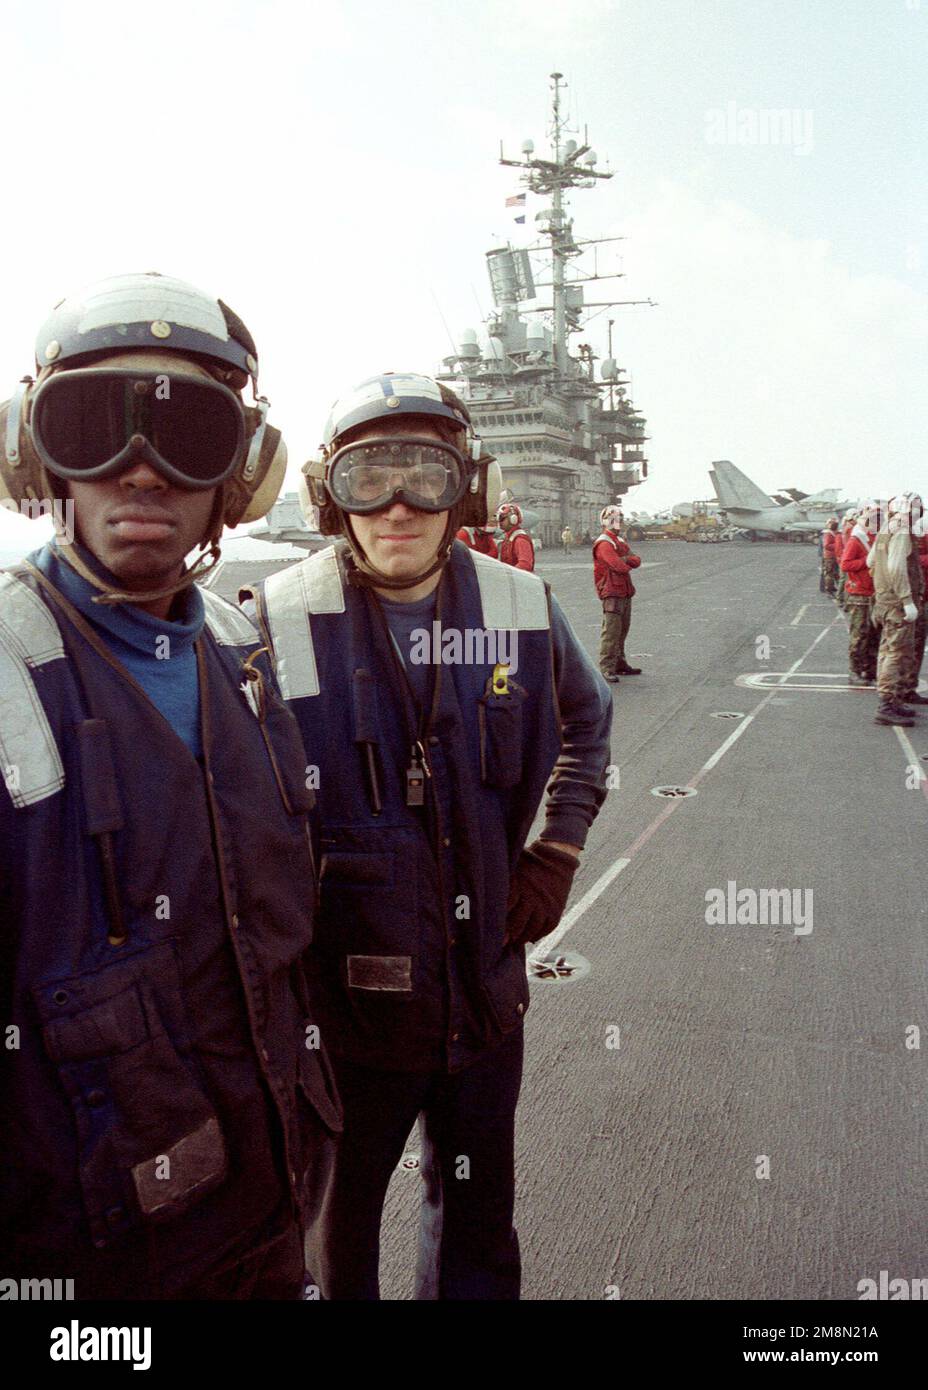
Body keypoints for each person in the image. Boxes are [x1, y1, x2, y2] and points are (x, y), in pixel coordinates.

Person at [0, 273, 340, 1300]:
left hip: (270, 1208)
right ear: (33, 453)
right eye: (93, 422)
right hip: (89, 1265)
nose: (139, 470)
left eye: (189, 432)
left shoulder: (244, 649)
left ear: (238, 478)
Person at [250, 372, 613, 1300]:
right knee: (341, 1239)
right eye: (373, 477)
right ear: (332, 494)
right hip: (345, 1014)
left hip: (486, 991)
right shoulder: (274, 623)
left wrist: (558, 849)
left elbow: (589, 718)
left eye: (430, 474)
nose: (402, 505)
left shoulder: (521, 607)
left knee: (480, 1225)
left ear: (471, 489)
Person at [868, 493, 924, 727]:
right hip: (897, 605)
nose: (920, 512)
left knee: (888, 651)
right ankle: (887, 704)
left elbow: (871, 562)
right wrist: (906, 599)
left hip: (885, 602)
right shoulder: (901, 529)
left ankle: (894, 699)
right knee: (896, 653)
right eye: (918, 508)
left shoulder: (887, 527)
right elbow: (895, 566)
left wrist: (882, 592)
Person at [593, 504, 642, 683]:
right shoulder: (604, 542)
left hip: (623, 590)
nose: (617, 522)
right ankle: (606, 667)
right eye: (613, 519)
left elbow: (636, 560)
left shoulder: (618, 541)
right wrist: (627, 560)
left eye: (619, 519)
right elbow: (618, 565)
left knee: (622, 630)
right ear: (605, 521)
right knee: (611, 632)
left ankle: (620, 663)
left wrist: (626, 560)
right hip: (612, 591)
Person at [840, 502, 879, 685]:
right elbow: (845, 564)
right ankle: (854, 671)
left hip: (871, 592)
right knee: (859, 635)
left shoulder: (872, 538)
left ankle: (870, 670)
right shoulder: (857, 539)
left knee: (872, 634)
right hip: (859, 595)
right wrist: (866, 561)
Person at [497, 501, 535, 571]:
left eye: (502, 519)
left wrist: (509, 574)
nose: (500, 522)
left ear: (513, 519)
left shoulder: (520, 540)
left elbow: (525, 564)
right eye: (499, 519)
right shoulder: (509, 538)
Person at [821, 518, 839, 594]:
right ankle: (828, 587)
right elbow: (827, 545)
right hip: (829, 556)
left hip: (832, 555)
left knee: (833, 572)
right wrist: (838, 545)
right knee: (829, 572)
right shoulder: (828, 534)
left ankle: (831, 586)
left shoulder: (832, 533)